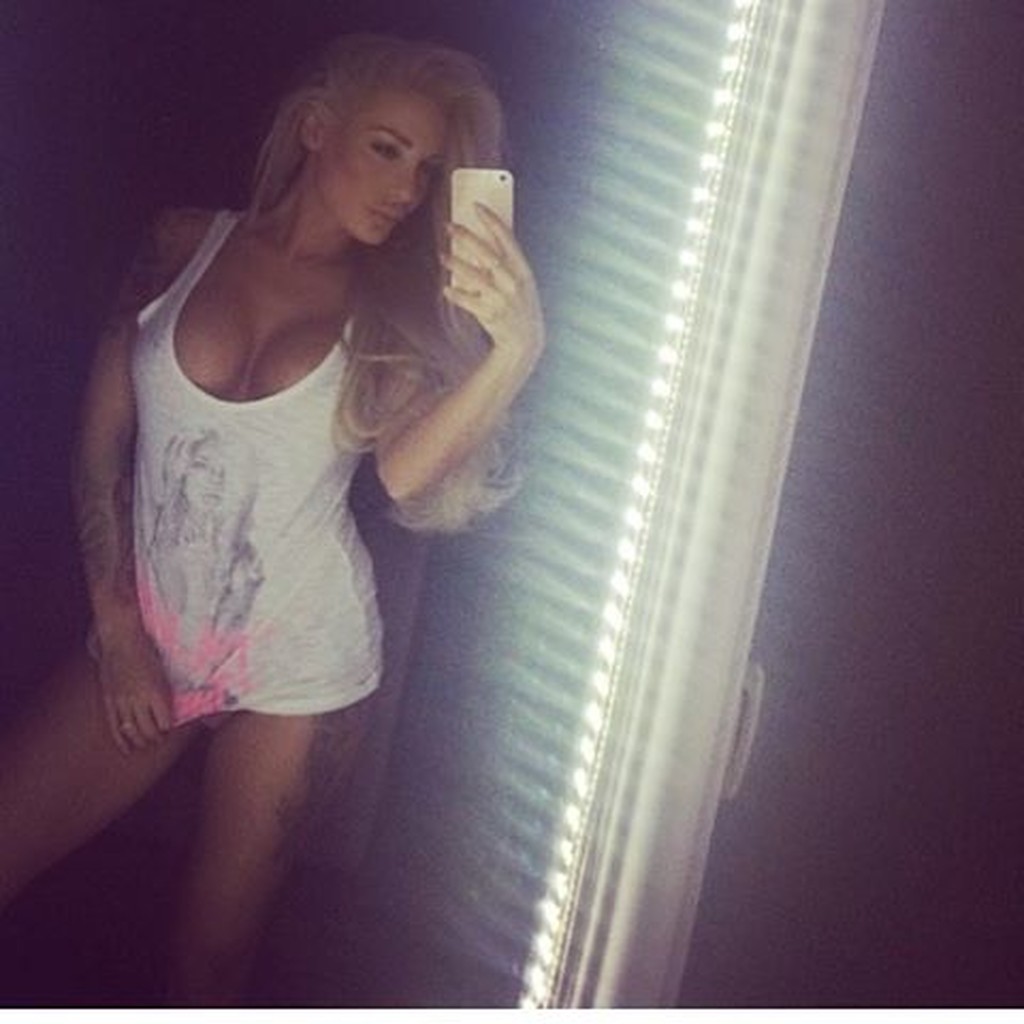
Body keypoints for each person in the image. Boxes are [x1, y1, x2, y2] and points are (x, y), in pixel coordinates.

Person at [0, 32, 543, 1005]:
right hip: (152, 626)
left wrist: (514, 351)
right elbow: (99, 442)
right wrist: (118, 630)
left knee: (207, 963)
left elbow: (406, 479)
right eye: (387, 148)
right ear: (316, 129)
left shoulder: (386, 308)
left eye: (427, 171)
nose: (406, 188)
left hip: (300, 663)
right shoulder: (179, 243)